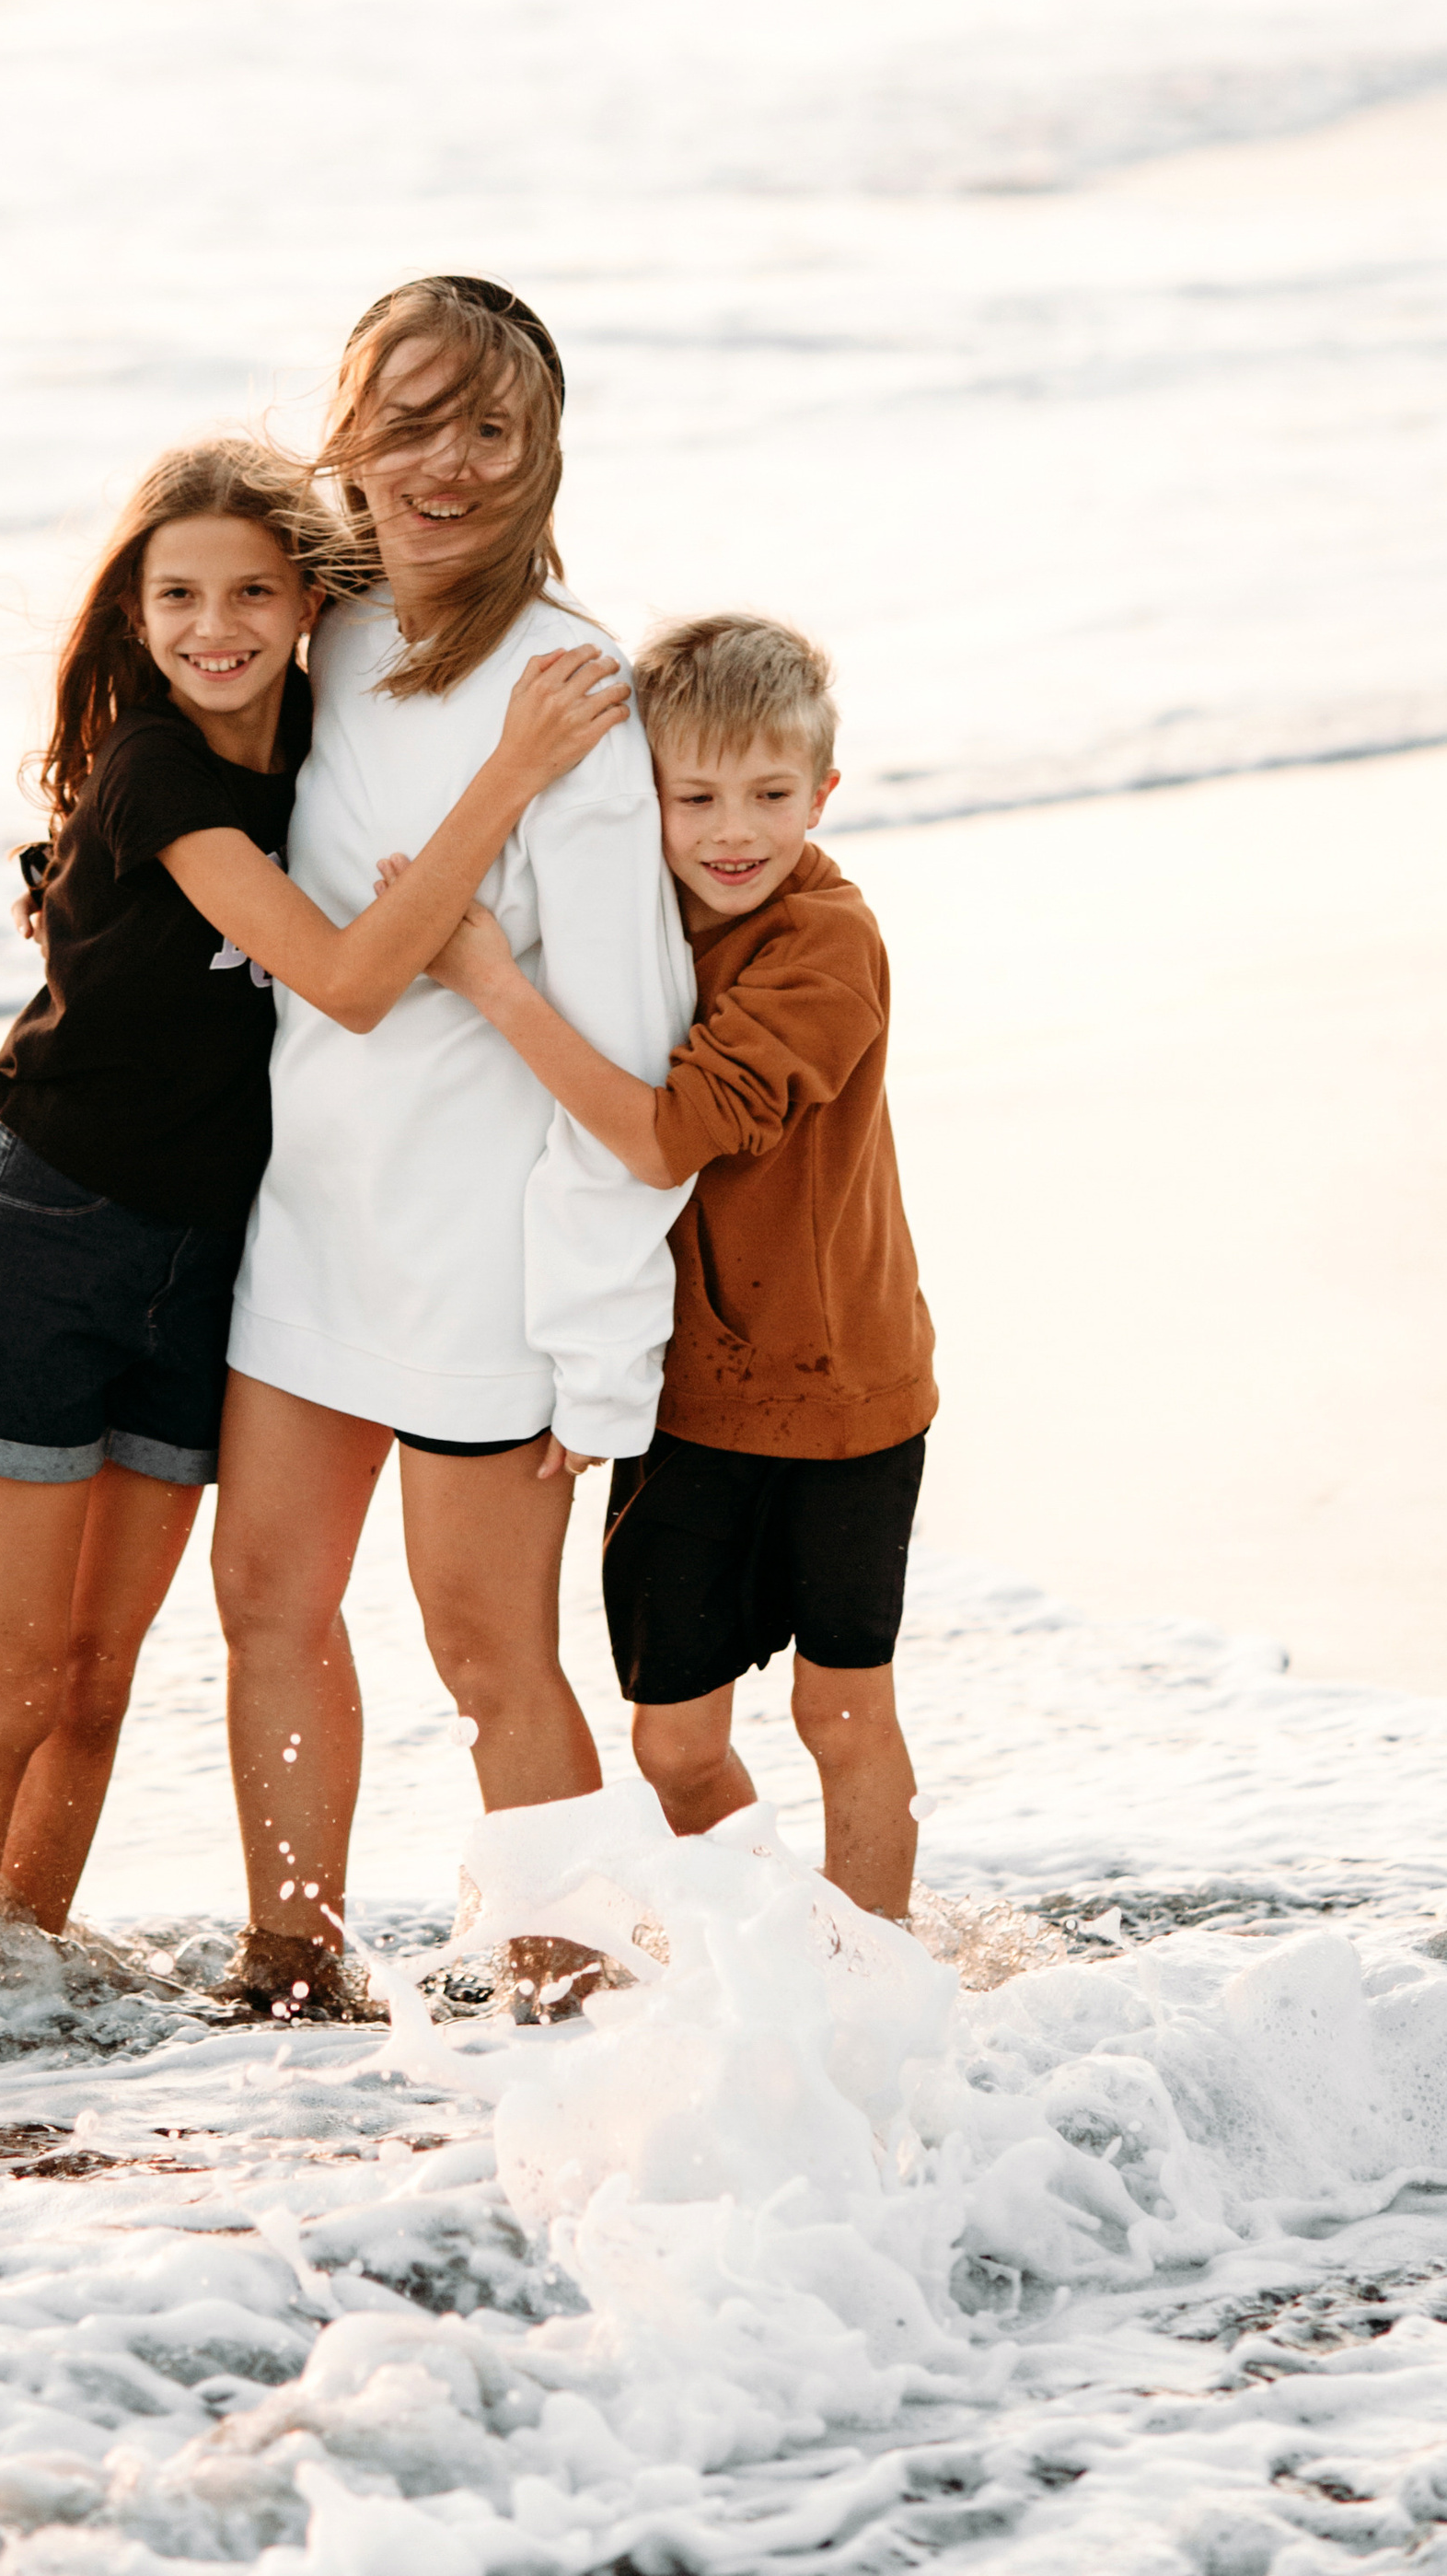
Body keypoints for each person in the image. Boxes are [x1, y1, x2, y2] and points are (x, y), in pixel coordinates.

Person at [0, 434, 627, 1931]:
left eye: (248, 590)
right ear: (133, 612)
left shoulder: (317, 730)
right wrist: (516, 771)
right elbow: (357, 977)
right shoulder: (156, 774)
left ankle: (15, 1987)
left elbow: (448, 587)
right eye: (176, 596)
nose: (211, 626)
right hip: (52, 1238)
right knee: (12, 1677)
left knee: (100, 1678)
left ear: (311, 603)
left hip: (205, 1265)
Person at [213, 279, 696, 2015]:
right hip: (312, 1221)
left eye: (492, 428)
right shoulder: (315, 630)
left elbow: (634, 1050)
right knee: (267, 1598)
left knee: (488, 1647)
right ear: (348, 428)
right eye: (410, 423)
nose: (451, 467)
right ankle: (292, 1966)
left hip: (489, 1258)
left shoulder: (565, 688)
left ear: (543, 448)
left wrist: (597, 1348)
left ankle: (568, 1989)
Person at [425, 612, 936, 1920]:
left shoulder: (827, 948)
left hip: (842, 1394)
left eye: (770, 796)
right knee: (674, 1745)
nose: (732, 832)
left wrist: (489, 980)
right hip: (688, 1394)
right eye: (692, 795)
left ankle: (877, 1980)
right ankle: (783, 1947)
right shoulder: (635, 921)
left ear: (824, 792)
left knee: (840, 1712)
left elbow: (660, 1143)